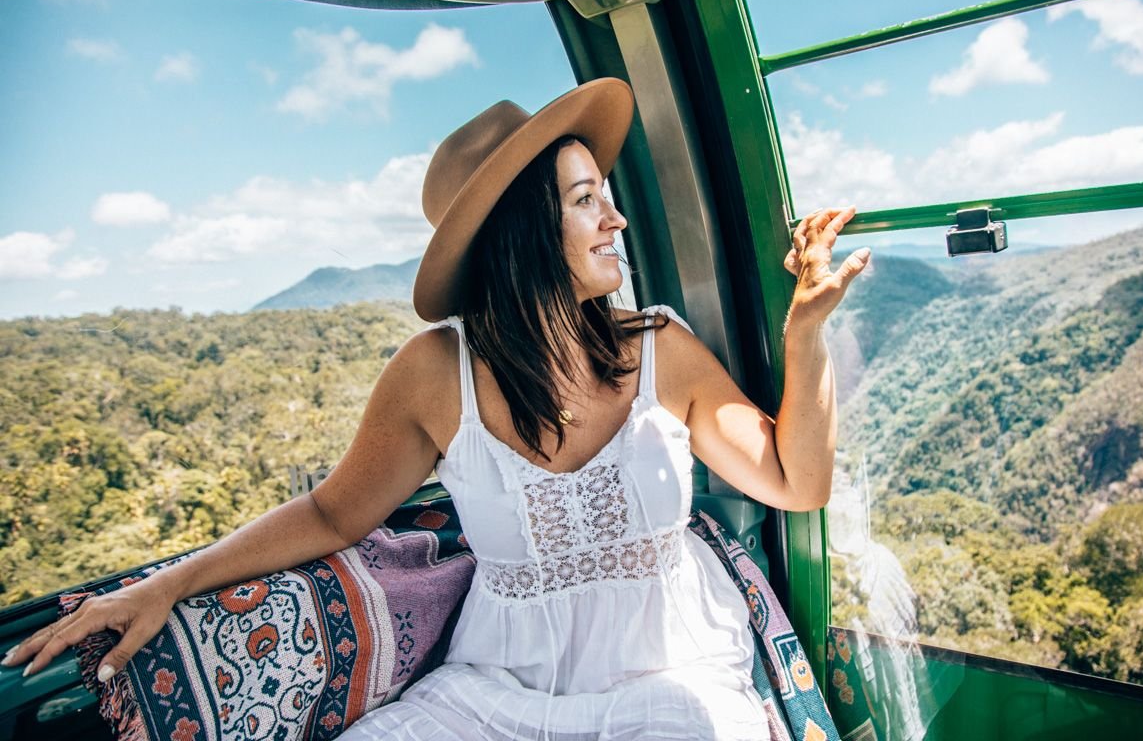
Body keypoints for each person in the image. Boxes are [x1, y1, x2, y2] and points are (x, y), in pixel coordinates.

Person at [5, 78, 869, 739]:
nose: (619, 220)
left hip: (670, 673)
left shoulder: (657, 349)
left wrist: (804, 334)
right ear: (522, 235)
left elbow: (794, 482)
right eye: (585, 201)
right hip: (499, 688)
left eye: (606, 193)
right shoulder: (433, 374)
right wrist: (167, 584)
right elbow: (333, 510)